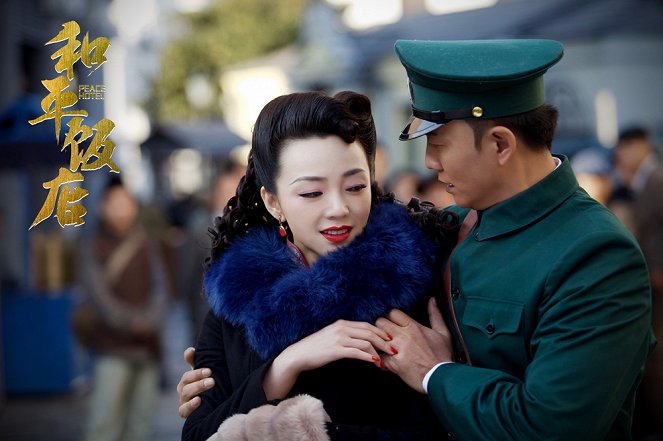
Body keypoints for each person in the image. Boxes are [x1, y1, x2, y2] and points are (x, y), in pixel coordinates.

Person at [373, 39, 654, 441]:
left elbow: (549, 428)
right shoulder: (450, 224)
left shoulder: (597, 255)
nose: (429, 163)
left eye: (438, 145)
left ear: (501, 144)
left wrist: (435, 374)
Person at [180, 90, 459, 441]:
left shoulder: (411, 282)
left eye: (355, 187)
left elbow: (433, 430)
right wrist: (284, 366)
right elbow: (197, 434)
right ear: (273, 201)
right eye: (312, 193)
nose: (339, 208)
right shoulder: (236, 299)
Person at [77, 176, 169, 441]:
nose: (122, 209)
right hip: (112, 347)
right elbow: (99, 298)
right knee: (104, 423)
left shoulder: (146, 243)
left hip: (147, 346)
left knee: (140, 426)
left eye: (127, 203)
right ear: (102, 208)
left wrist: (149, 320)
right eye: (116, 203)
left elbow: (161, 287)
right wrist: (133, 323)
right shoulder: (93, 246)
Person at [613, 127, 663, 440]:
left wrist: (658, 268)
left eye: (626, 148)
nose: (622, 156)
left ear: (642, 145)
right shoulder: (644, 181)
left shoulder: (657, 179)